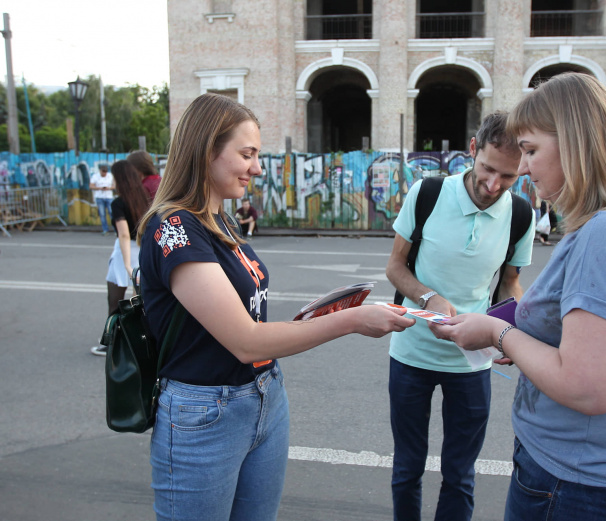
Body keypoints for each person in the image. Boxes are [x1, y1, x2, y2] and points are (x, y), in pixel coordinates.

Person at [136, 92, 414, 521]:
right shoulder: (174, 227)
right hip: (205, 413)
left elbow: (245, 320)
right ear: (207, 150)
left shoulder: (220, 220)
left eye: (257, 154)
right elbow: (246, 341)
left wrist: (313, 318)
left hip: (264, 397)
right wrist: (352, 319)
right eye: (246, 154)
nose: (257, 167)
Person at [429, 73, 606, 521]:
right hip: (591, 477)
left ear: (576, 142)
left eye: (530, 150)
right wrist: (527, 338)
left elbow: (591, 388)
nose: (523, 168)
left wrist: (499, 333)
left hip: (577, 485)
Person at [385, 111, 535, 521]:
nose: (493, 186)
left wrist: (511, 330)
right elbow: (395, 267)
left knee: (460, 474)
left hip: (472, 363)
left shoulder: (521, 214)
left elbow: (510, 283)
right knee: (407, 468)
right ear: (472, 149)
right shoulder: (427, 193)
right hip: (411, 354)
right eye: (487, 169)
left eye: (507, 177)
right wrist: (427, 296)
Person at [90, 160, 150, 356]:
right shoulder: (145, 199)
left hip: (125, 251)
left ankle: (110, 342)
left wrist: (126, 264)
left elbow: (123, 234)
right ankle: (139, 341)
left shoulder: (119, 202)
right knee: (139, 300)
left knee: (115, 299)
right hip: (142, 249)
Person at [89, 163, 115, 235]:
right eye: (103, 171)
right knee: (102, 214)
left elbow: (114, 186)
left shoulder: (110, 176)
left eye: (106, 171)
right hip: (99, 197)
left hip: (109, 197)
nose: (104, 173)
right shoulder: (95, 176)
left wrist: (108, 188)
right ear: (100, 170)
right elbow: (91, 186)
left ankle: (116, 229)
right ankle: (105, 230)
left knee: (112, 213)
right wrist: (100, 188)